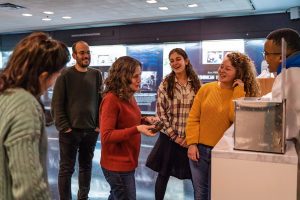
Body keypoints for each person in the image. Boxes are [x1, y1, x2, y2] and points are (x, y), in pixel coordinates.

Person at [0, 32, 70, 200]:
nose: (55, 81)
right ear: (44, 76)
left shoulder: (5, 96)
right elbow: (29, 189)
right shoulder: (25, 105)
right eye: (57, 74)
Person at [186, 51, 260, 200]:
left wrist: (238, 92)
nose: (221, 70)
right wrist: (192, 144)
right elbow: (193, 118)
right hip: (199, 151)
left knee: (218, 193)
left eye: (228, 68)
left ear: (238, 73)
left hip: (224, 151)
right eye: (221, 66)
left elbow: (235, 118)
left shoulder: (243, 94)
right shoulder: (206, 89)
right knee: (200, 194)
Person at [146, 48, 201, 200]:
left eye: (178, 59)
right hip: (170, 138)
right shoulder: (165, 84)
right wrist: (174, 136)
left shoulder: (196, 85)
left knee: (195, 178)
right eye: (171, 60)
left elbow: (199, 112)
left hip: (190, 140)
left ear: (186, 61)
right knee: (163, 175)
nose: (175, 63)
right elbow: (161, 113)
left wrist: (191, 139)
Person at [99, 56, 157, 200]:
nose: (139, 80)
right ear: (123, 76)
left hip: (126, 162)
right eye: (135, 76)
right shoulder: (111, 100)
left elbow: (128, 119)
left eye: (140, 76)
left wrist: (145, 120)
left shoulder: (128, 95)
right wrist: (137, 129)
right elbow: (106, 136)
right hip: (117, 167)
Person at [51, 41, 103, 200]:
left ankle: (83, 198)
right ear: (74, 55)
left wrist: (98, 125)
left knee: (86, 167)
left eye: (87, 52)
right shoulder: (65, 75)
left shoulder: (96, 74)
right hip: (70, 132)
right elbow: (57, 103)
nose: (86, 55)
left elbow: (101, 101)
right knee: (66, 169)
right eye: (81, 53)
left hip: (90, 131)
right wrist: (65, 127)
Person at [263, 28, 300, 199]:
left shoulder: (289, 75)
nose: (265, 59)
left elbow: (284, 126)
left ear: (281, 56)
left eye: (267, 53)